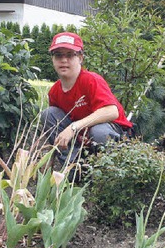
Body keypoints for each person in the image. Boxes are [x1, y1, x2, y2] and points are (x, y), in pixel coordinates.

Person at [40, 32, 133, 164]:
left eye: (70, 55)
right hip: (81, 138)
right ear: (53, 59)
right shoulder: (55, 91)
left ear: (80, 58)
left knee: (99, 132)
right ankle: (74, 167)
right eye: (58, 55)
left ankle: (106, 170)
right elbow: (56, 127)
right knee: (48, 114)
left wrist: (74, 127)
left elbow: (112, 111)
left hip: (110, 131)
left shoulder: (91, 80)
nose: (64, 60)